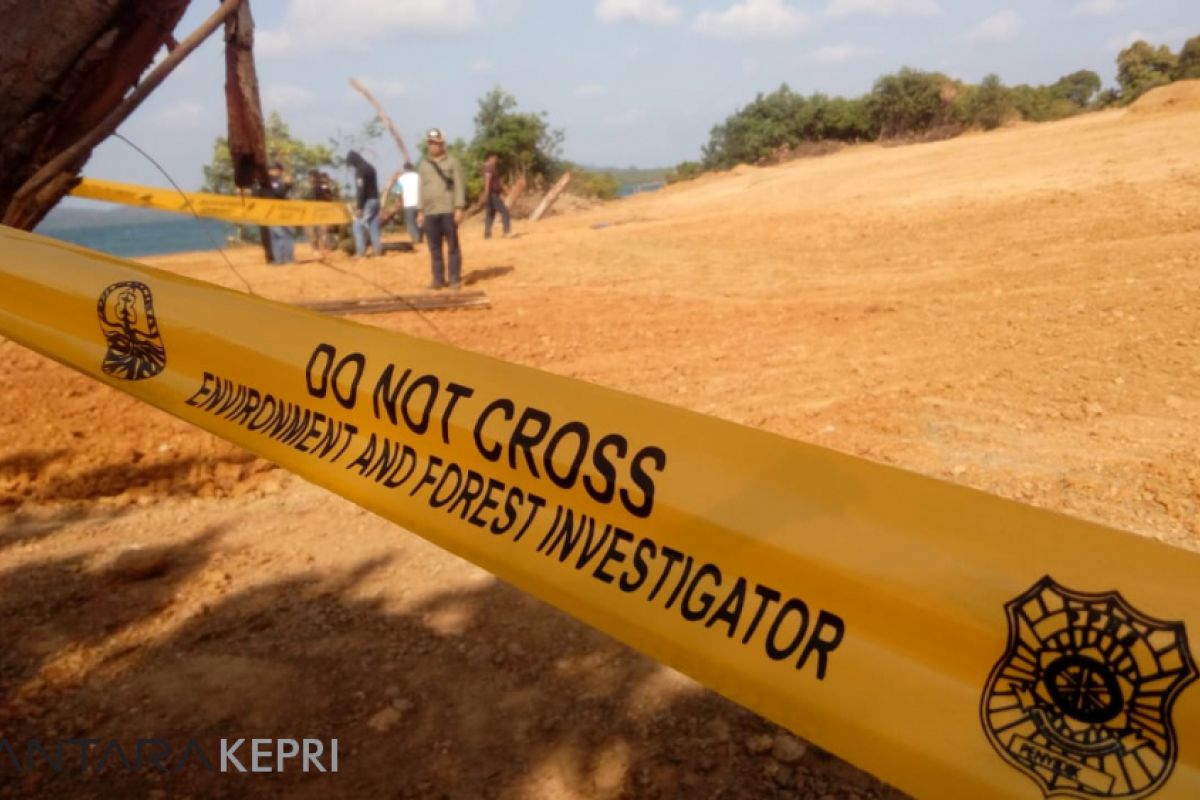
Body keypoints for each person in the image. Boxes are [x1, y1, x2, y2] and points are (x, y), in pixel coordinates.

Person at [416, 128, 467, 290]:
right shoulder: (423, 165)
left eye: (436, 143)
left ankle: (454, 279)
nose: (433, 147)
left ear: (442, 144)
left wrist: (459, 208)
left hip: (448, 210)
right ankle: (438, 279)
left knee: (452, 246)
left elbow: (459, 185)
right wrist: (420, 211)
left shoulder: (452, 162)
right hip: (430, 212)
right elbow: (420, 189)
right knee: (434, 248)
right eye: (430, 143)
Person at [345, 150, 382, 258]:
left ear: (353, 161)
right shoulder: (370, 167)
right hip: (376, 199)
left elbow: (361, 190)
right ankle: (377, 250)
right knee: (373, 226)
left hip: (368, 201)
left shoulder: (360, 171)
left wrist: (359, 207)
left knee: (357, 225)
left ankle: (361, 252)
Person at [262, 161, 294, 265]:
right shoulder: (270, 182)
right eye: (278, 170)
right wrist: (287, 185)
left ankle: (287, 258)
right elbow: (279, 193)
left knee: (288, 234)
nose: (280, 172)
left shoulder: (276, 181)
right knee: (279, 236)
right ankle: (280, 260)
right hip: (273, 212)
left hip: (282, 212)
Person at [481, 152, 511, 239]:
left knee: (490, 214)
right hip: (492, 194)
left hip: (493, 194)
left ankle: (487, 234)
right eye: (495, 158)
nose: (496, 160)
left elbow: (498, 182)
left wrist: (504, 191)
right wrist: (487, 195)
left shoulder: (491, 168)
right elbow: (487, 181)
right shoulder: (489, 168)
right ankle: (506, 231)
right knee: (504, 211)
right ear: (490, 158)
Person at [307, 169, 335, 256]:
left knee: (322, 232)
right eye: (310, 177)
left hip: (321, 212)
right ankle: (315, 249)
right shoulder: (308, 188)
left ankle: (323, 249)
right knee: (312, 233)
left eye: (312, 177)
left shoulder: (323, 186)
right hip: (310, 212)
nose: (311, 179)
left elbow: (329, 197)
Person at [398, 162, 422, 245]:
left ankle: (416, 238)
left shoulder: (401, 178)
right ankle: (420, 235)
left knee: (411, 222)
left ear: (404, 169)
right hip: (420, 202)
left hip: (408, 203)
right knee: (420, 221)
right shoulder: (419, 176)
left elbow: (398, 192)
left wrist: (400, 202)